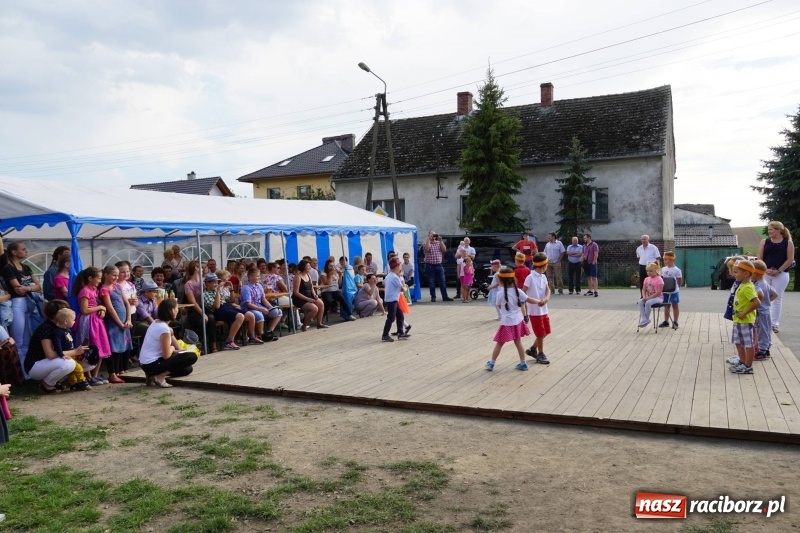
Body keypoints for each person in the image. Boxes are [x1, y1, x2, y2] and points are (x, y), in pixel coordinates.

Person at [485, 266, 539, 372]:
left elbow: (499, 306)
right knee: (518, 342)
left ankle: (491, 363)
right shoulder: (518, 291)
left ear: (501, 280)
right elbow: (529, 300)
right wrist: (540, 301)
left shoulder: (500, 293)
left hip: (506, 322)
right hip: (518, 320)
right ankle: (523, 363)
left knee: (499, 343)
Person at [25, 300, 82, 394]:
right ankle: (47, 384)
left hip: (49, 363)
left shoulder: (61, 327)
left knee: (86, 362)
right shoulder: (47, 328)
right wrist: (75, 352)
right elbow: (50, 354)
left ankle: (56, 381)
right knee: (69, 364)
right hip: (35, 365)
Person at [139, 298, 198, 388]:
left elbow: (173, 346)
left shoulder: (156, 322)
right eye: (176, 308)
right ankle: (160, 377)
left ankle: (152, 376)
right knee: (192, 356)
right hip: (152, 364)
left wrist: (177, 350)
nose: (178, 310)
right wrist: (173, 348)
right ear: (172, 310)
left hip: (146, 363)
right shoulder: (163, 329)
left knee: (187, 369)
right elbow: (166, 355)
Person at [2, 241, 42, 369]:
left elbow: (38, 286)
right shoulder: (8, 268)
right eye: (23, 249)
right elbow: (17, 288)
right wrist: (30, 287)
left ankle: (26, 369)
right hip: (17, 303)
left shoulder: (26, 267)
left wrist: (29, 288)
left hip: (29, 301)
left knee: (27, 339)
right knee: (18, 340)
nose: (26, 251)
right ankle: (19, 371)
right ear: (14, 252)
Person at [73, 267, 111, 384]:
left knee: (100, 346)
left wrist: (102, 310)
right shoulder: (85, 291)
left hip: (97, 321)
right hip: (88, 321)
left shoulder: (94, 289)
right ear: (90, 278)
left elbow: (97, 304)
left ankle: (95, 375)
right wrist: (100, 307)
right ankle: (88, 376)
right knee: (89, 347)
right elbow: (84, 310)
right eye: (98, 278)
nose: (100, 281)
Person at [757, 221, 794, 333]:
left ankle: (774, 324)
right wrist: (765, 269)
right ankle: (761, 322)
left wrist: (779, 270)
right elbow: (759, 257)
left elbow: (790, 259)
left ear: (779, 230)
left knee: (777, 298)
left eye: (771, 229)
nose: (769, 231)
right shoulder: (764, 242)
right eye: (768, 229)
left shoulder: (788, 243)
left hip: (781, 274)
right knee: (763, 296)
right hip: (765, 273)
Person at [726, 260, 761, 375]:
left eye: (736, 272)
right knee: (738, 342)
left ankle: (748, 365)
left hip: (745, 320)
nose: (734, 274)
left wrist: (744, 313)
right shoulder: (742, 284)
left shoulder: (747, 287)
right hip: (738, 320)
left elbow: (756, 302)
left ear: (746, 273)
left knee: (747, 344)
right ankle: (742, 361)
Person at [99, 265, 131, 384]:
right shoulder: (104, 289)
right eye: (114, 275)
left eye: (117, 275)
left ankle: (117, 372)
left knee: (121, 346)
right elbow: (110, 309)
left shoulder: (117, 286)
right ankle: (112, 373)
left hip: (124, 321)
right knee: (113, 347)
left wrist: (128, 319)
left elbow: (127, 303)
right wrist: (120, 323)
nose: (116, 277)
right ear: (105, 275)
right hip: (113, 322)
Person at [51, 308, 91, 391]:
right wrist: (62, 355)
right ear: (66, 321)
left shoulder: (66, 330)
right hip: (66, 355)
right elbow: (57, 345)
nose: (74, 322)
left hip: (71, 354)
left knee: (72, 371)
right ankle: (83, 382)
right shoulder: (58, 332)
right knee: (79, 368)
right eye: (73, 320)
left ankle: (74, 384)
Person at [523, 253, 551, 364]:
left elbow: (547, 290)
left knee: (546, 331)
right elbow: (523, 293)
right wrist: (533, 301)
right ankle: (541, 354)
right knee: (540, 333)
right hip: (535, 311)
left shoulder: (543, 277)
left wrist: (546, 299)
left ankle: (533, 349)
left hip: (544, 310)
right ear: (543, 265)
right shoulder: (530, 277)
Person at [240, 268, 281, 342]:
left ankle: (269, 333)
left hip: (259, 305)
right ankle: (260, 335)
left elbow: (263, 299)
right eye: (257, 276)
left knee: (278, 312)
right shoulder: (246, 288)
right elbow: (248, 304)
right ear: (250, 277)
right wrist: (261, 309)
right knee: (259, 314)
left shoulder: (259, 286)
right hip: (248, 308)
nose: (259, 278)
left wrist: (271, 308)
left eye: (259, 276)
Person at [183, 260, 215, 353]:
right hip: (194, 309)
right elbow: (192, 301)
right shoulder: (188, 284)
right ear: (196, 268)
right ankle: (201, 346)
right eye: (201, 267)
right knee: (201, 321)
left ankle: (213, 344)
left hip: (205, 306)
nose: (203, 269)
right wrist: (202, 313)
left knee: (211, 319)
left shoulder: (204, 281)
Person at [752, 260, 778, 360]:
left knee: (761, 331)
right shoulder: (765, 283)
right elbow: (775, 294)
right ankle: (766, 348)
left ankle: (762, 351)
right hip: (766, 310)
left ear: (756, 273)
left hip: (760, 312)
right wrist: (767, 302)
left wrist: (760, 303)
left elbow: (759, 295)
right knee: (767, 330)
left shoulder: (758, 285)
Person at [292, 259, 326, 332]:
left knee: (320, 303)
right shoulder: (298, 277)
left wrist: (315, 295)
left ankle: (319, 323)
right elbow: (296, 292)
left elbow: (311, 288)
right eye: (308, 266)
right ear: (303, 267)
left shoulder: (308, 275)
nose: (310, 267)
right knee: (314, 309)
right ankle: (304, 326)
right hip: (299, 298)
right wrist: (308, 299)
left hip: (309, 296)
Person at [381, 258, 409, 342]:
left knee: (400, 315)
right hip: (392, 300)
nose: (400, 267)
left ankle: (400, 333)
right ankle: (385, 335)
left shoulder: (389, 276)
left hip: (392, 299)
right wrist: (406, 286)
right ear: (396, 267)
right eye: (399, 265)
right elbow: (402, 289)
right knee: (391, 318)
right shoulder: (395, 278)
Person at [422, 231, 452, 302]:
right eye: (431, 235)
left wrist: (441, 241)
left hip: (439, 265)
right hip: (430, 266)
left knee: (442, 282)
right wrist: (429, 239)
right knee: (431, 282)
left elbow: (444, 250)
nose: (433, 237)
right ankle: (433, 297)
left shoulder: (438, 243)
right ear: (428, 235)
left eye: (434, 235)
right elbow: (427, 249)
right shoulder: (426, 243)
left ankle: (445, 297)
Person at [659, 251, 682, 330]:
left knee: (675, 305)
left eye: (666, 260)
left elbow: (679, 280)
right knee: (666, 305)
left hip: (674, 291)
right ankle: (666, 321)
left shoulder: (677, 270)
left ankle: (675, 321)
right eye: (664, 259)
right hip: (665, 291)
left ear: (671, 260)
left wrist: (677, 288)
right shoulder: (663, 269)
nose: (664, 261)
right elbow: (661, 280)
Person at [637, 263, 664, 328]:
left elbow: (659, 292)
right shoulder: (646, 279)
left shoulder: (659, 279)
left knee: (648, 303)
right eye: (647, 271)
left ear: (656, 271)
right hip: (648, 297)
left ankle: (646, 318)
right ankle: (644, 319)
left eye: (651, 271)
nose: (649, 272)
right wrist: (644, 296)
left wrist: (649, 298)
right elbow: (643, 289)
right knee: (640, 302)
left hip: (658, 298)